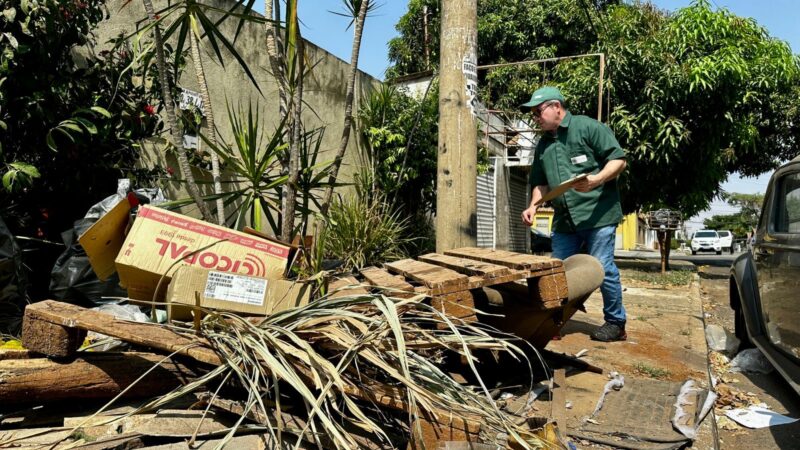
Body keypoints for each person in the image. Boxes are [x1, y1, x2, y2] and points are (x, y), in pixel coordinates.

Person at [520, 86, 628, 342]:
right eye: (533, 113)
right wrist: (533, 205)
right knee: (558, 272)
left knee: (602, 268)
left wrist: (597, 179)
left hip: (597, 215)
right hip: (565, 220)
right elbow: (540, 183)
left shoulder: (588, 127)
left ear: (556, 106)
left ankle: (616, 323)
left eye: (538, 111)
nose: (535, 117)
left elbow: (619, 160)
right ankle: (554, 320)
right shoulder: (543, 145)